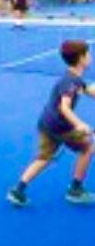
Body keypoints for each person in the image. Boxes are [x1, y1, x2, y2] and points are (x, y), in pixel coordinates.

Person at [7, 40, 95, 207]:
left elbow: (88, 90)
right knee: (88, 147)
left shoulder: (73, 77)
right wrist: (79, 124)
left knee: (44, 158)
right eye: (88, 54)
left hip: (48, 123)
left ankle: (18, 190)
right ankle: (75, 190)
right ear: (81, 59)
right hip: (62, 127)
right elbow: (65, 107)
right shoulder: (71, 82)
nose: (91, 56)